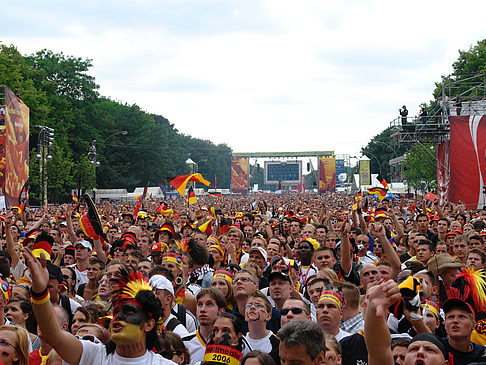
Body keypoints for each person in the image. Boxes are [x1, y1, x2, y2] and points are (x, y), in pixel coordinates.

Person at [22, 247, 176, 364]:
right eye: (116, 312)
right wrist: (40, 291)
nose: (118, 317)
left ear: (149, 324)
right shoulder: (93, 355)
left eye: (129, 312)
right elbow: (52, 334)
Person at [183, 288, 226, 364]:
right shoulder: (184, 344)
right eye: (200, 305)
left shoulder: (235, 342)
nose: (202, 309)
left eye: (209, 304)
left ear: (221, 311)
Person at [244, 291, 280, 364]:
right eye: (249, 305)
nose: (252, 307)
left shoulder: (277, 343)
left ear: (268, 316)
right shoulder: (239, 341)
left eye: (258, 305)